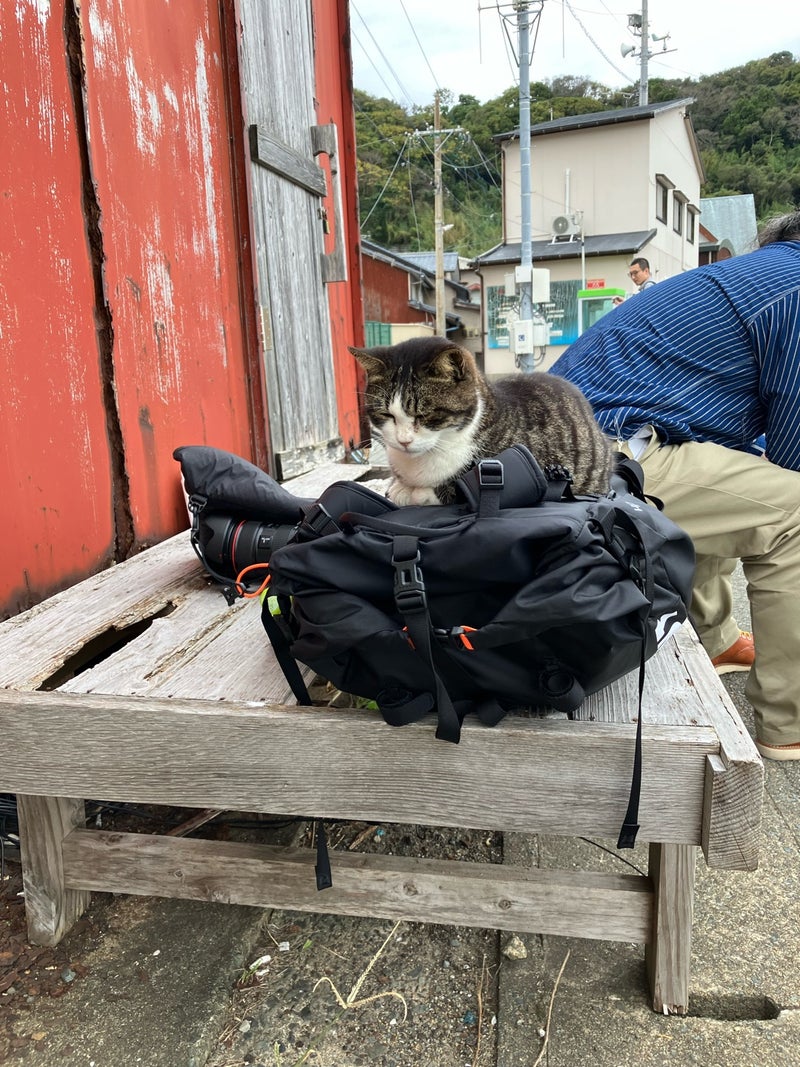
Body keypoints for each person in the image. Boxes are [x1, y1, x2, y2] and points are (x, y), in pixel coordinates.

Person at [549, 210, 800, 761]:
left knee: (740, 485)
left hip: (573, 444)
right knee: (790, 513)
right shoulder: (795, 289)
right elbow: (792, 460)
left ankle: (716, 641)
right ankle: (788, 719)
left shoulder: (759, 274)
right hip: (605, 457)